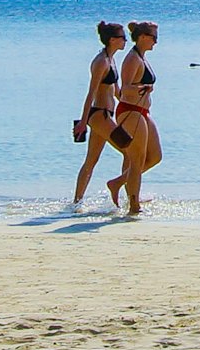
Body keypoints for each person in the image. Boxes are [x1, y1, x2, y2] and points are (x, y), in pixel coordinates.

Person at [68, 22, 126, 210]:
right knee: (130, 151)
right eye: (122, 37)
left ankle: (76, 203)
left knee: (91, 160)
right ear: (112, 40)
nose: (125, 40)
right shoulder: (101, 61)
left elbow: (117, 93)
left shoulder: (111, 60)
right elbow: (91, 93)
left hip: (107, 114)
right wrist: (83, 122)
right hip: (99, 115)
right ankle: (127, 195)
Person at [107, 20, 161, 216]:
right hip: (130, 111)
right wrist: (142, 88)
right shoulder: (132, 59)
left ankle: (117, 182)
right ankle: (134, 206)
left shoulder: (142, 57)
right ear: (143, 37)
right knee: (136, 160)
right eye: (154, 37)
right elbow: (124, 90)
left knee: (155, 157)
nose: (156, 41)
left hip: (143, 112)